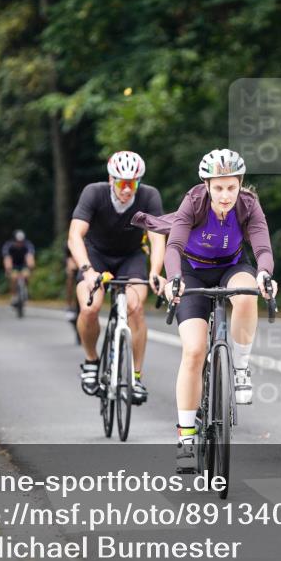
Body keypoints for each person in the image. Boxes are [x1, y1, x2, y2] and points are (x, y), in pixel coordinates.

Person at [132, 148, 277, 473]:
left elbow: (262, 246)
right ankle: (186, 436)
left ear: (240, 184)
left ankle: (240, 368)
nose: (225, 195)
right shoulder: (194, 202)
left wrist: (265, 274)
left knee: (248, 294)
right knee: (195, 350)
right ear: (207, 186)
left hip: (232, 267)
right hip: (192, 271)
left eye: (231, 187)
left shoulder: (248, 205)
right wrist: (174, 278)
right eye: (219, 188)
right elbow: (174, 246)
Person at [67, 151, 166, 405]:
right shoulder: (93, 193)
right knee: (89, 308)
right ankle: (91, 361)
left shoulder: (149, 196)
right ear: (111, 179)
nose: (127, 189)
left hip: (131, 257)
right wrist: (87, 270)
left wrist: (155, 271)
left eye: (133, 183)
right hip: (96, 256)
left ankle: (136, 377)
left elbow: (157, 238)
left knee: (135, 308)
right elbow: (75, 235)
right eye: (122, 183)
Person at [2, 230, 36, 307]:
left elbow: (30, 257)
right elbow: (7, 258)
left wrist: (31, 267)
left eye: (21, 241)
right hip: (13, 265)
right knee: (13, 277)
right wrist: (8, 269)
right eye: (18, 241)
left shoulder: (28, 245)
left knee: (26, 275)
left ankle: (25, 289)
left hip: (23, 265)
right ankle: (14, 296)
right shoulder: (8, 246)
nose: (20, 243)